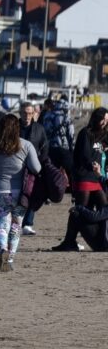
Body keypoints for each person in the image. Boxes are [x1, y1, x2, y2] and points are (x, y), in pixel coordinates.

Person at [0, 114, 41, 271]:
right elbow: (36, 168)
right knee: (16, 225)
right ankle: (9, 260)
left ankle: (2, 249)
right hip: (19, 193)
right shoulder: (26, 145)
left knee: (1, 224)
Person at [52, 107, 108, 251]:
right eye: (103, 119)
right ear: (97, 119)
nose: (105, 122)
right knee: (79, 209)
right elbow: (84, 155)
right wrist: (91, 165)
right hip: (84, 176)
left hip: (96, 178)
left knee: (104, 206)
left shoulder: (104, 134)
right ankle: (69, 241)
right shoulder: (86, 133)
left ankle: (103, 239)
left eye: (107, 120)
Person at [18, 101, 49, 235]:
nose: (27, 116)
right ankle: (17, 221)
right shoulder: (14, 127)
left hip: (33, 167)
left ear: (34, 114)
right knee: (17, 195)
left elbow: (45, 146)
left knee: (32, 194)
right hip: (16, 167)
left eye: (30, 113)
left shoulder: (39, 129)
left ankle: (28, 223)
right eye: (25, 113)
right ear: (20, 113)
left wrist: (40, 162)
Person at [43, 98, 75, 187]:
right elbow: (71, 135)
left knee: (52, 171)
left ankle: (50, 193)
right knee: (70, 170)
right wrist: (72, 149)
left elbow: (45, 133)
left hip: (51, 148)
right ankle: (71, 191)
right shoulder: (67, 118)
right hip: (65, 149)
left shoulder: (47, 116)